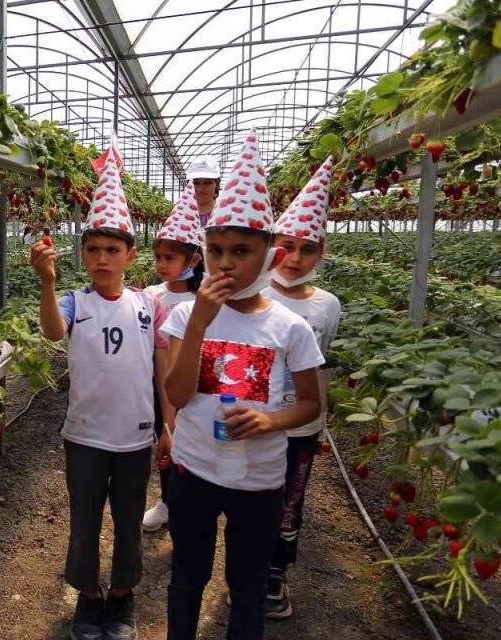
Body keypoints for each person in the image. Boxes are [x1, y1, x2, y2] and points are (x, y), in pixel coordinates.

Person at [160, 131, 324, 640]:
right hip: (194, 469)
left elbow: (314, 405)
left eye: (241, 250)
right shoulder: (186, 314)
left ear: (270, 257)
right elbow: (179, 394)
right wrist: (199, 324)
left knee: (247, 585)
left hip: (259, 480)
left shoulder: (289, 327)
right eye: (216, 249)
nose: (226, 262)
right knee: (187, 577)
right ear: (202, 253)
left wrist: (271, 419)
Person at [31, 139, 171, 640]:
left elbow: (160, 366)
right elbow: (51, 332)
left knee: (130, 518)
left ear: (132, 255)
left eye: (113, 249)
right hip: (85, 434)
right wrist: (47, 283)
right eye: (93, 249)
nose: (102, 258)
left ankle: (123, 594)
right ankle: (88, 598)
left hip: (135, 435)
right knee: (85, 517)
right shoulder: (73, 300)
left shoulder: (147, 305)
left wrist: (167, 425)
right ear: (83, 255)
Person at [263, 157, 342, 619]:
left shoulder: (329, 305)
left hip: (302, 424)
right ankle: (249, 565)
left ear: (321, 251)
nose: (294, 259)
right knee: (253, 494)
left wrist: (321, 422)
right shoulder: (252, 296)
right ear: (273, 246)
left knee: (292, 497)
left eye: (306, 250)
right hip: (255, 417)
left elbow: (321, 364)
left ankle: (276, 570)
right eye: (286, 246)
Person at [141, 181, 206, 533]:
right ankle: (167, 501)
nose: (161, 265)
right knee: (164, 438)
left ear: (194, 259)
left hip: (197, 387)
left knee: (193, 442)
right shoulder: (151, 296)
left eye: (170, 258)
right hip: (158, 386)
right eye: (158, 258)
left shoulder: (205, 301)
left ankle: (192, 503)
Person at [184, 160, 221, 228]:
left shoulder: (224, 213)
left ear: (216, 184)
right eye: (196, 183)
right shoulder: (181, 214)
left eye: (207, 182)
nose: (200, 189)